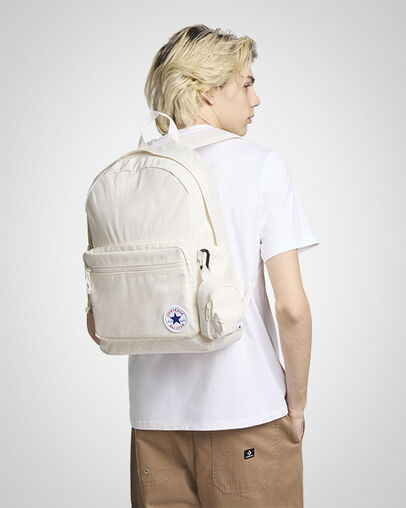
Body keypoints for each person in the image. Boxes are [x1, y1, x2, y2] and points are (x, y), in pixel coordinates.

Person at [87, 24, 319, 508]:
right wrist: (295, 405)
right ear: (205, 90)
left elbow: (99, 321)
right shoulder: (260, 165)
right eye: (246, 83)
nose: (256, 99)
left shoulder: (130, 173)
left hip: (153, 423)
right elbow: (292, 308)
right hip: (247, 412)